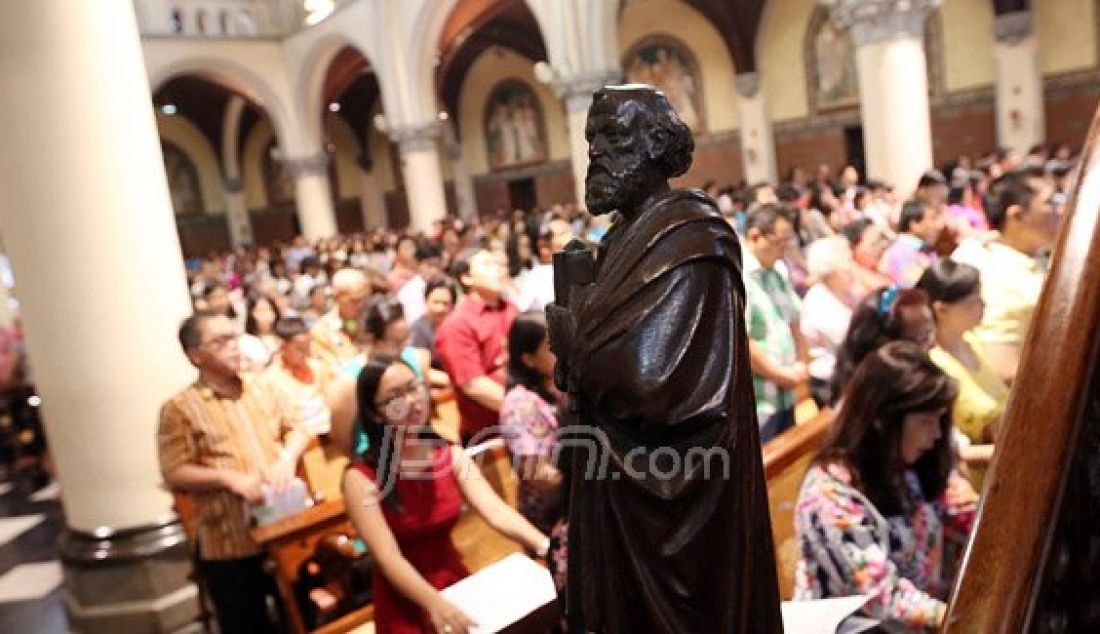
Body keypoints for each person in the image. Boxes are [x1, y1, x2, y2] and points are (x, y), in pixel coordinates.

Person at [558, 85, 782, 631]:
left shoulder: (690, 241)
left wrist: (574, 340)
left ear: (656, 145)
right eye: (592, 140)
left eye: (612, 137)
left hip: (680, 499)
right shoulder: (617, 242)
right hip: (617, 491)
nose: (597, 154)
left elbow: (655, 382)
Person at [341, 356, 549, 634]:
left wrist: (545, 544)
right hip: (406, 601)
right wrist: (433, 602)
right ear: (376, 413)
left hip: (455, 585)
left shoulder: (449, 453)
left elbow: (496, 511)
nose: (412, 401)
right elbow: (388, 556)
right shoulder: (360, 477)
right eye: (395, 396)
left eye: (413, 388)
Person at [794, 342, 977, 631]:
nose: (936, 434)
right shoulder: (830, 492)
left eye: (940, 420)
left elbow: (959, 515)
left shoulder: (912, 464)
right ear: (883, 420)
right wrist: (965, 620)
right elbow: (881, 598)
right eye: (926, 422)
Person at [157, 312, 310, 633]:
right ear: (195, 355)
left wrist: (287, 456)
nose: (234, 347)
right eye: (220, 341)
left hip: (281, 523)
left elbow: (298, 426)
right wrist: (229, 479)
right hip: (227, 537)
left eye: (234, 337)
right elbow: (174, 471)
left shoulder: (260, 387)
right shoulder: (181, 408)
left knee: (299, 613)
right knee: (246, 623)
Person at [952, 168, 1062, 384]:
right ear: (1017, 215)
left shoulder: (1015, 254)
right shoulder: (1003, 280)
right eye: (1050, 203)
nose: (1060, 211)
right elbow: (1004, 367)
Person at [917, 260, 1008, 489]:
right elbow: (946, 444)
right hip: (980, 483)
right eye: (971, 302)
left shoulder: (973, 342)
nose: (982, 305)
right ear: (941, 310)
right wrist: (1004, 450)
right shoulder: (934, 367)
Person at [435, 249, 517, 444]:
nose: (497, 270)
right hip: (491, 434)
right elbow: (473, 385)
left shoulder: (511, 308)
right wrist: (524, 408)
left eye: (498, 264)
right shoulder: (457, 324)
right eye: (487, 265)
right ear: (466, 278)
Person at [743, 203, 808, 441]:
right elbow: (743, 341)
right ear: (755, 236)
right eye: (780, 242)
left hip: (787, 391)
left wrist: (801, 362)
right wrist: (780, 375)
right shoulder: (739, 275)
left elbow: (793, 319)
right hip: (762, 399)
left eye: (788, 242)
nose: (785, 250)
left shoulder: (778, 269)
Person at [499, 312, 562, 532]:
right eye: (551, 345)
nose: (563, 350)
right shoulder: (519, 405)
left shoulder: (565, 384)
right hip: (552, 516)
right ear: (528, 359)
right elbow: (539, 476)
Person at [830, 286, 937, 403]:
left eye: (931, 327)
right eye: (923, 337)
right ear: (887, 346)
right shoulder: (886, 402)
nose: (933, 343)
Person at [800, 236, 858, 406]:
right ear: (828, 272)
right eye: (846, 268)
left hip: (851, 374)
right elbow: (849, 340)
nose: (852, 270)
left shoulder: (847, 293)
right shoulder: (818, 300)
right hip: (831, 382)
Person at [264, 316, 331, 437]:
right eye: (300, 348)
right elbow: (272, 425)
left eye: (308, 346)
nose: (306, 352)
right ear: (282, 345)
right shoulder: (269, 380)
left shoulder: (317, 367)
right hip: (299, 440)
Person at [312, 268, 371, 379]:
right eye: (355, 301)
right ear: (336, 297)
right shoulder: (322, 331)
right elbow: (333, 373)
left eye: (364, 299)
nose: (361, 306)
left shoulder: (371, 319)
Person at [879, 200, 943, 288]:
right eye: (932, 219)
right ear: (914, 224)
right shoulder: (898, 251)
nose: (938, 225)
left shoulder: (926, 249)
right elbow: (906, 286)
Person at [410, 276, 458, 372]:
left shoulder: (458, 327)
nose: (440, 308)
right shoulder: (419, 329)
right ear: (426, 301)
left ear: (453, 305)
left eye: (445, 304)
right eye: (435, 302)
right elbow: (422, 370)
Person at [842, 218, 894, 297]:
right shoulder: (858, 284)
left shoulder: (883, 266)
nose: (883, 245)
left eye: (882, 238)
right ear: (853, 248)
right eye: (873, 243)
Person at [396, 244, 443, 325]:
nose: (434, 271)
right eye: (429, 265)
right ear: (417, 265)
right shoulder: (408, 292)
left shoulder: (445, 285)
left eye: (437, 266)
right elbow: (414, 322)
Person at [240, 294, 281, 373]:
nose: (267, 315)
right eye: (261, 311)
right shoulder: (246, 341)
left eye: (270, 310)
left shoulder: (283, 336)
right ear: (250, 314)